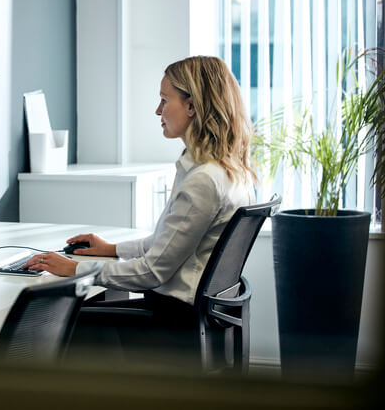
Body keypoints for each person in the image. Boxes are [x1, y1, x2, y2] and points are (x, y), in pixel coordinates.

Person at [23, 56, 256, 352]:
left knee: (61, 321)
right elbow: (168, 243)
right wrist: (111, 250)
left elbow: (152, 272)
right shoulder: (230, 173)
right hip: (193, 320)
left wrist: (74, 270)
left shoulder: (204, 180)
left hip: (170, 323)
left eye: (163, 100)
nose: (158, 111)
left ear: (192, 106)